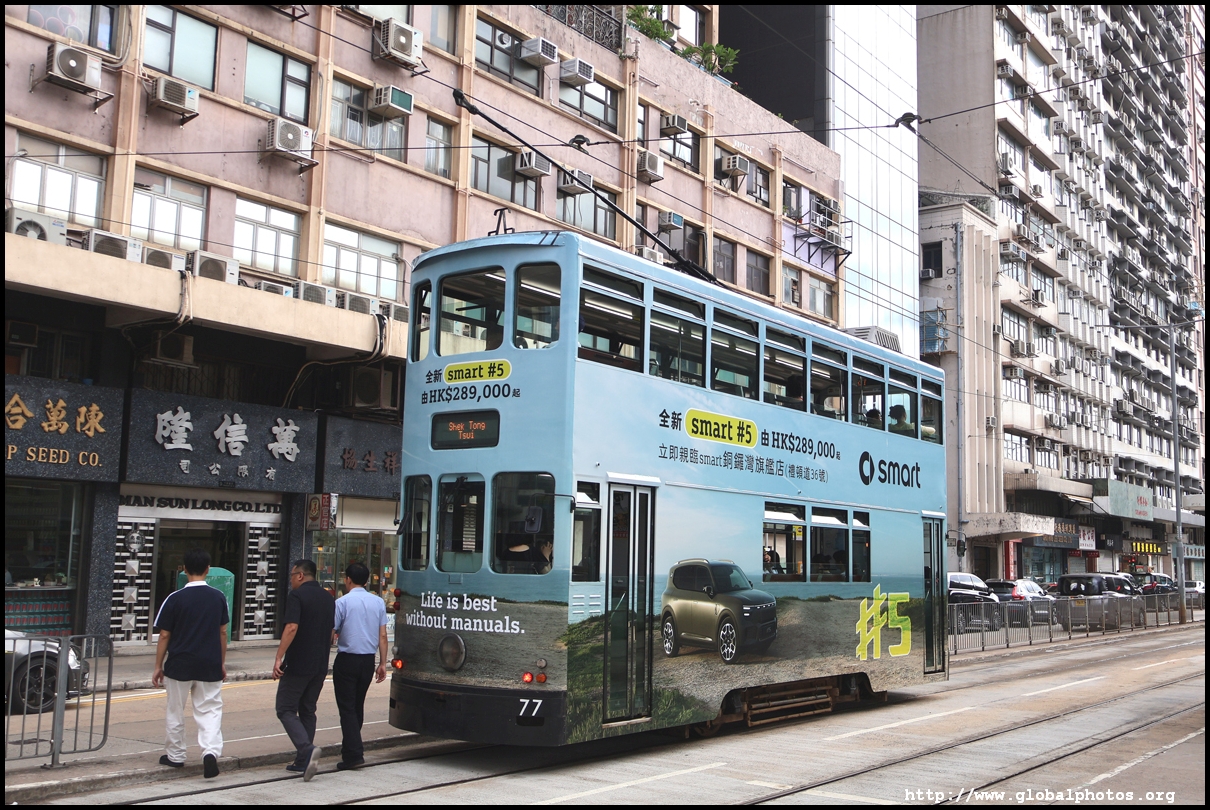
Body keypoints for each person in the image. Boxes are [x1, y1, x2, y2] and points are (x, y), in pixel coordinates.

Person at [151, 548, 228, 779]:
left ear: (184, 569)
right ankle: (210, 752)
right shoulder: (218, 597)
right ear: (208, 569)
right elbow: (222, 632)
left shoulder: (174, 598)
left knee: (175, 709)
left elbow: (164, 635)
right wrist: (221, 662)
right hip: (209, 663)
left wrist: (158, 666)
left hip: (179, 664)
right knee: (210, 710)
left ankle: (175, 756)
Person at [273, 559, 335, 782]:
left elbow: (291, 627)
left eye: (292, 576)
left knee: (285, 708)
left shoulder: (297, 596)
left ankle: (307, 750)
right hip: (320, 664)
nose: (291, 580)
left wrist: (279, 657)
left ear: (300, 575)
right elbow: (331, 632)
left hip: (299, 663)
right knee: (308, 709)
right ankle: (302, 760)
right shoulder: (328, 598)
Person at [331, 562, 389, 771]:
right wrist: (383, 663)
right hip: (367, 661)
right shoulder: (378, 602)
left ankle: (354, 753)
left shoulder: (342, 602)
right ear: (366, 581)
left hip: (347, 659)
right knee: (357, 705)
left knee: (347, 708)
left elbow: (332, 631)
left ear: (347, 579)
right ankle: (350, 750)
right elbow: (383, 635)